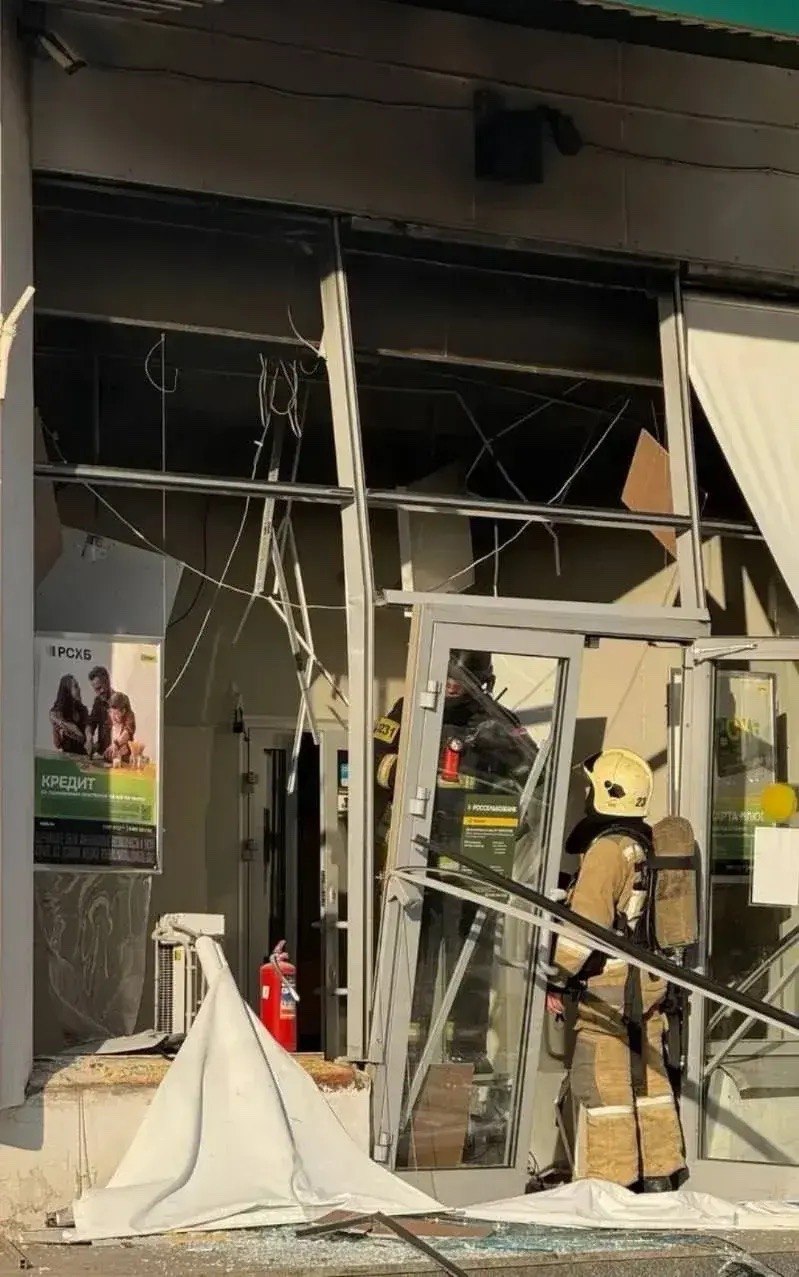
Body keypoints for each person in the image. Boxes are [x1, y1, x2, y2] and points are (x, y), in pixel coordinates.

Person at [374, 651, 536, 1070]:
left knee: (473, 955)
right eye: (445, 677)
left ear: (481, 681)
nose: (449, 686)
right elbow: (374, 762)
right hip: (419, 855)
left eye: (459, 679)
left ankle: (467, 1049)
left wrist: (503, 747)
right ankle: (407, 1048)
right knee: (416, 950)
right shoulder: (409, 710)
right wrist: (412, 771)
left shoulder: (498, 720)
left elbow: (536, 777)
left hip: (473, 859)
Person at [546, 748, 686, 1193]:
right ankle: (661, 1172)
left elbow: (584, 926)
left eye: (590, 788)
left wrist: (556, 978)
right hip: (648, 985)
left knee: (604, 1087)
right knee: (650, 1083)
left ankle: (610, 1184)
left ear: (606, 793)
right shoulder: (645, 844)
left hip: (608, 991)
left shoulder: (607, 851)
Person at [49, 675, 90, 755]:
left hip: (83, 756)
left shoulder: (83, 710)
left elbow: (82, 737)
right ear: (67, 690)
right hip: (67, 756)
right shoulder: (58, 712)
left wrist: (61, 722)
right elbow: (58, 745)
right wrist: (56, 730)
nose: (79, 689)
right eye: (76, 686)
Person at [87, 666, 114, 758]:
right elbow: (91, 722)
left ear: (107, 682)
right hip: (103, 755)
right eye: (96, 689)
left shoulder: (122, 700)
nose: (99, 692)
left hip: (118, 757)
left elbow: (128, 730)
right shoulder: (97, 701)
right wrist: (89, 737)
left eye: (100, 688)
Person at [105, 692, 136, 765]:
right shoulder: (111, 719)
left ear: (123, 711)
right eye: (111, 712)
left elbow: (127, 732)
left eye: (116, 714)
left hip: (125, 759)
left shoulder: (129, 717)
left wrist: (116, 744)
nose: (113, 717)